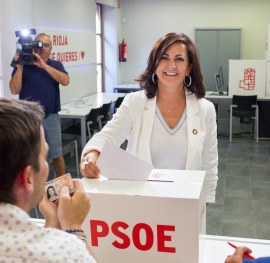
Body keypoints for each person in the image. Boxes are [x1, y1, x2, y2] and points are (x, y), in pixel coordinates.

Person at [80, 32, 218, 203]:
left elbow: (209, 163)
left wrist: (205, 202)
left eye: (179, 59)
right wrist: (92, 154)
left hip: (187, 202)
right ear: (154, 65)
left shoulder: (205, 109)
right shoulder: (135, 103)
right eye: (164, 58)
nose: (171, 65)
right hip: (142, 203)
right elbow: (107, 136)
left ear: (189, 68)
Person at [0, 98, 97, 263]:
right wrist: (73, 229)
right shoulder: (66, 254)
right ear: (27, 178)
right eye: (44, 158)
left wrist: (52, 222)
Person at [9, 32, 69, 177]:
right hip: (29, 120)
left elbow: (65, 80)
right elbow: (14, 89)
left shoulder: (56, 65)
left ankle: (62, 187)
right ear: (33, 47)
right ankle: (35, 192)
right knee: (31, 158)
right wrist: (19, 67)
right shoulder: (23, 65)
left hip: (50, 118)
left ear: (51, 49)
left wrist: (43, 66)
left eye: (46, 45)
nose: (42, 48)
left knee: (57, 155)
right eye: (39, 44)